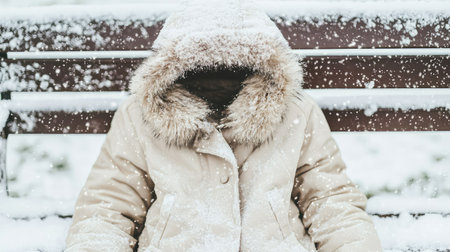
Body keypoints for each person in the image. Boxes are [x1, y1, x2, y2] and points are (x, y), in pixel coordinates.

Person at [65, 0, 383, 251]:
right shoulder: (140, 116)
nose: (218, 75)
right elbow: (107, 208)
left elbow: (330, 202)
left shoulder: (296, 114)